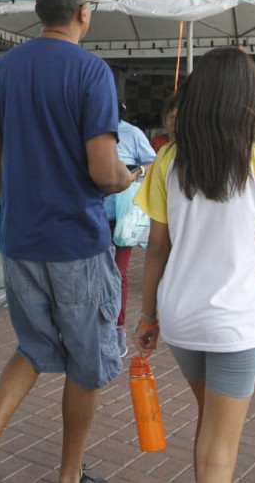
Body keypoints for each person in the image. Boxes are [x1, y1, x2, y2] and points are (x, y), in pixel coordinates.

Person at [0, 0, 136, 483]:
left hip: (20, 239)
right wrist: (125, 179)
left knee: (34, 346)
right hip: (75, 241)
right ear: (83, 12)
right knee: (87, 362)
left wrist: (12, 209)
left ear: (39, 12)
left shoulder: (5, 70)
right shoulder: (92, 72)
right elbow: (102, 171)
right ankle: (69, 477)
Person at [133, 49, 255, 483]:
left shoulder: (167, 161)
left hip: (180, 316)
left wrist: (148, 317)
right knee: (221, 446)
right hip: (234, 323)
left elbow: (157, 249)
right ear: (248, 102)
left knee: (210, 426)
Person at [104, 103, 157, 358]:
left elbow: (152, 162)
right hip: (89, 215)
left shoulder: (131, 133)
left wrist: (135, 172)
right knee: (92, 274)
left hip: (122, 217)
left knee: (118, 273)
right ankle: (95, 329)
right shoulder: (85, 131)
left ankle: (117, 329)